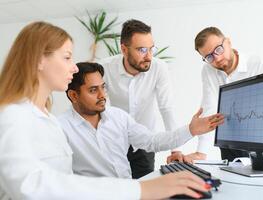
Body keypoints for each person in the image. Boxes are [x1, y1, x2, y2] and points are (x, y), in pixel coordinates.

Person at [0, 21, 217, 199]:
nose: (74, 67)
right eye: (67, 57)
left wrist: (190, 130)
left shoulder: (47, 119)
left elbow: (154, 137)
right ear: (39, 60)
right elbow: (29, 186)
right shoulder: (14, 116)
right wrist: (141, 189)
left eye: (103, 87)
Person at [58, 62, 224, 179]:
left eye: (103, 87)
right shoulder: (60, 128)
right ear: (73, 95)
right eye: (93, 90)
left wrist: (191, 129)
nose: (102, 95)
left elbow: (151, 141)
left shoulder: (118, 117)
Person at [167, 26, 263, 163]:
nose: (216, 58)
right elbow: (209, 107)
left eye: (218, 49)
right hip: (228, 142)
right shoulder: (208, 70)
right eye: (209, 57)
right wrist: (201, 152)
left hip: (259, 142)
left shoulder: (259, 64)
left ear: (228, 42)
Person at [99, 19, 178, 178]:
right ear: (124, 49)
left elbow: (166, 107)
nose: (149, 56)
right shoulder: (104, 68)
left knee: (145, 190)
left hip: (145, 144)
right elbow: (101, 108)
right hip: (114, 143)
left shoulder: (158, 67)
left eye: (151, 49)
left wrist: (175, 149)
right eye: (142, 50)